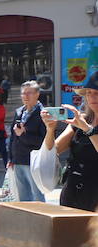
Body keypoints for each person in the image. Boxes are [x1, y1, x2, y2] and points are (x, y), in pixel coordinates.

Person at [40, 69, 98, 211]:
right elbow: (53, 150)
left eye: (96, 93)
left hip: (95, 193)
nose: (91, 97)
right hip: (72, 190)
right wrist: (50, 129)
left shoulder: (83, 123)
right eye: (89, 93)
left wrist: (88, 129)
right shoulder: (82, 119)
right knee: (68, 232)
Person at [8, 80, 47, 203]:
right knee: (22, 197)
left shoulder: (43, 114)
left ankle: (41, 221)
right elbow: (13, 137)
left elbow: (44, 141)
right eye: (23, 93)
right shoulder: (19, 112)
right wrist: (10, 158)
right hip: (18, 160)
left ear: (37, 94)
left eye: (29, 93)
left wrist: (23, 135)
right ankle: (27, 222)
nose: (25, 96)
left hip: (33, 162)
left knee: (37, 197)